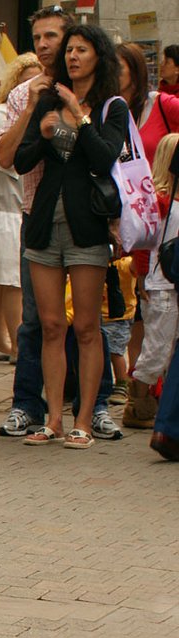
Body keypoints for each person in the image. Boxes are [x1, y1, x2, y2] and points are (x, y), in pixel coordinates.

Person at [15, 24, 128, 450]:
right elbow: (23, 160)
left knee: (85, 326)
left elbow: (103, 157)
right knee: (49, 325)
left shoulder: (109, 108)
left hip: (87, 227)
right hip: (46, 225)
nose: (74, 57)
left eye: (82, 50)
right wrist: (44, 132)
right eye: (70, 51)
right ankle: (53, 419)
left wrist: (76, 117)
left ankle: (84, 419)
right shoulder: (46, 100)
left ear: (99, 56)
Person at [0, 5, 73, 437]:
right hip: (36, 217)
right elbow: (6, 158)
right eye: (38, 37)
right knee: (35, 320)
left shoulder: (87, 88)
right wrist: (33, 101)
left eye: (52, 37)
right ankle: (26, 404)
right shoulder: (23, 93)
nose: (43, 45)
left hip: (81, 220)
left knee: (82, 321)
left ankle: (86, 404)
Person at [0, 53, 41, 362]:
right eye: (25, 79)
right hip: (4, 205)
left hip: (19, 205)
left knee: (4, 278)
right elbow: (9, 160)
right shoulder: (2, 113)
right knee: (9, 278)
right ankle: (16, 343)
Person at [126, 133, 179, 429]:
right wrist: (144, 278)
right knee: (158, 346)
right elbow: (145, 244)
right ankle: (139, 399)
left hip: (171, 282)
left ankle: (160, 403)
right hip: (161, 284)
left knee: (170, 349)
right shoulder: (159, 202)